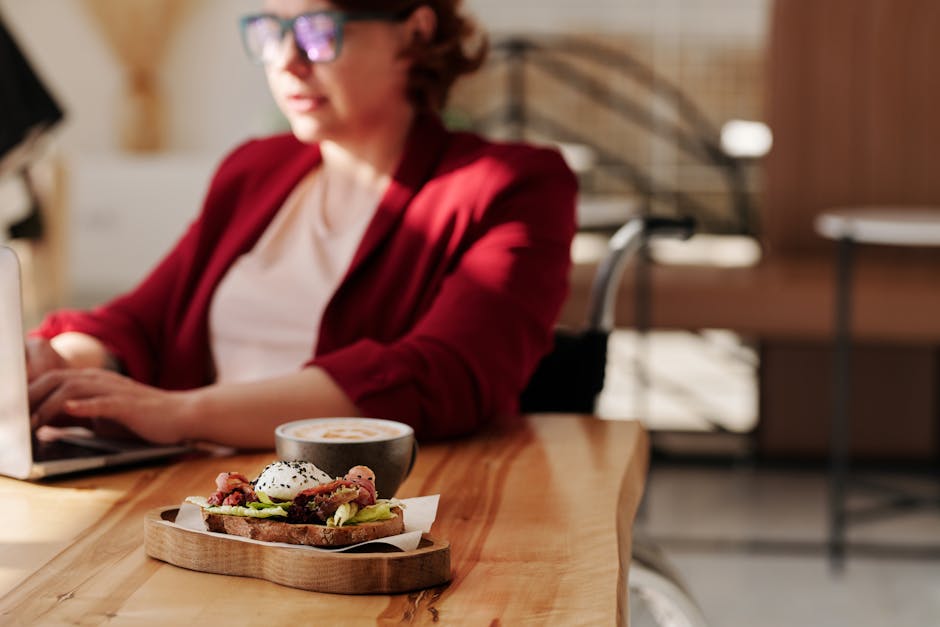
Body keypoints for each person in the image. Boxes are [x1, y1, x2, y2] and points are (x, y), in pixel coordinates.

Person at [26, 0, 577, 449]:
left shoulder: (514, 185)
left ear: (414, 33)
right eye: (272, 30)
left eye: (319, 31)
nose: (287, 61)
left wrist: (182, 414)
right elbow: (142, 321)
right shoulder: (255, 169)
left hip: (379, 512)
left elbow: (442, 376)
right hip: (204, 499)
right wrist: (60, 369)